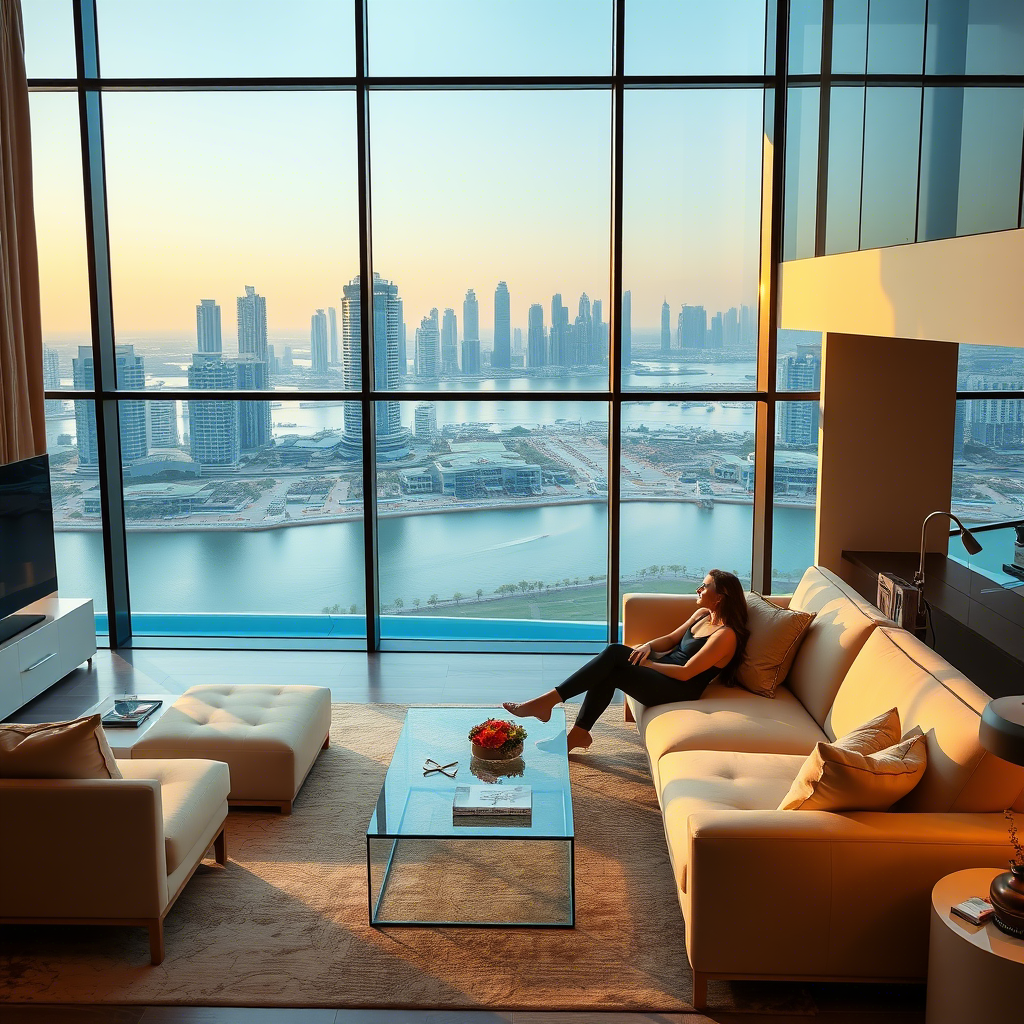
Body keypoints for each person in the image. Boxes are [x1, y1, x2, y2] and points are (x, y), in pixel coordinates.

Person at [503, 569, 749, 752]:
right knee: (610, 667)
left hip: (679, 688)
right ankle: (576, 735)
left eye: (704, 586)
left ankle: (548, 703)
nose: (698, 589)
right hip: (663, 673)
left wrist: (650, 664)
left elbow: (686, 672)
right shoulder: (702, 614)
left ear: (720, 597)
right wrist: (648, 647)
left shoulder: (725, 636)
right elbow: (672, 638)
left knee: (614, 653)